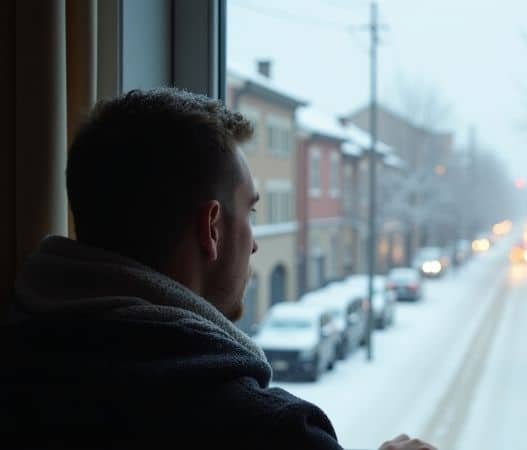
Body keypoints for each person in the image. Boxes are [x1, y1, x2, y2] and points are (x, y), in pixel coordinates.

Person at [0, 88, 436, 450]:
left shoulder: (20, 366)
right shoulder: (268, 434)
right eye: (250, 212)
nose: (255, 243)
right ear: (211, 228)